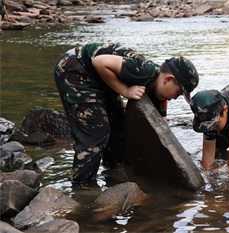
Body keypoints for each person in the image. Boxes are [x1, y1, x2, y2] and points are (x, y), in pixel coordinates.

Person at [54, 42, 199, 184]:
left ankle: (112, 169)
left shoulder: (159, 94)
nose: (175, 98)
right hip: (75, 67)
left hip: (100, 78)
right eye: (178, 93)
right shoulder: (143, 69)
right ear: (168, 79)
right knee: (96, 131)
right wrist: (125, 91)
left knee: (120, 126)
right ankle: (82, 185)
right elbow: (99, 62)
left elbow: (163, 124)